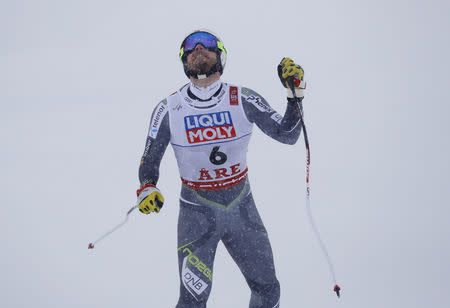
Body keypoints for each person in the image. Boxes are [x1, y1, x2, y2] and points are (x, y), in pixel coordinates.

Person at [136, 30, 306, 308]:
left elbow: (287, 134)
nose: (199, 48)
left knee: (268, 290)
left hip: (242, 210)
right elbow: (149, 160)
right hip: (197, 214)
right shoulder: (169, 108)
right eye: (190, 48)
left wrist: (295, 95)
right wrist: (147, 187)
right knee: (192, 302)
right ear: (184, 61)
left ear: (221, 55)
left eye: (207, 45)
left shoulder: (243, 98)